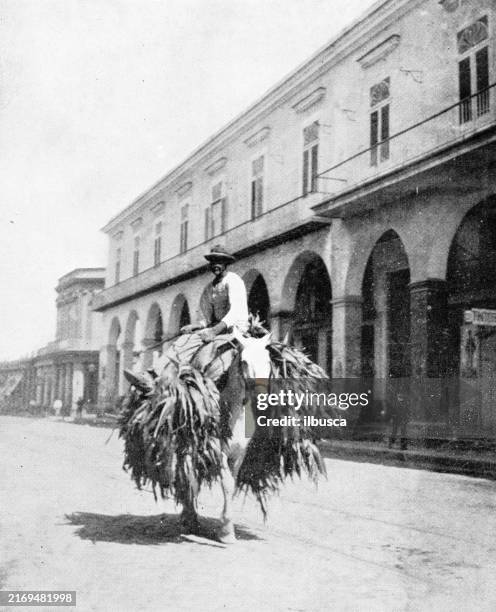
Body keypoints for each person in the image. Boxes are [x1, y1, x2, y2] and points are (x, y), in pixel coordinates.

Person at [181, 246, 249, 342]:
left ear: (226, 263)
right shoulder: (209, 288)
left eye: (219, 262)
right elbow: (205, 316)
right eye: (213, 262)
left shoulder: (234, 280)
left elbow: (236, 312)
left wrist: (215, 330)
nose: (215, 265)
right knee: (185, 343)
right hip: (216, 331)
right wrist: (197, 325)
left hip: (236, 330)